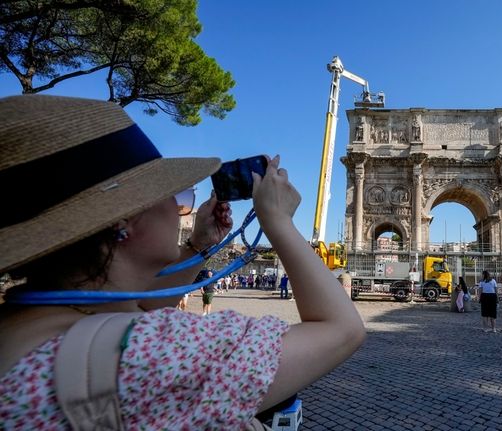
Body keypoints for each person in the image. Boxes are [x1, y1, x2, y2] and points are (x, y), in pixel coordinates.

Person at [0, 95, 366, 429]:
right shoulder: (152, 352)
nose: (182, 207)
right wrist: (279, 222)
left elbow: (139, 305)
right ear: (123, 221)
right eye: (174, 195)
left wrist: (198, 245)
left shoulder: (30, 318)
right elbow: (341, 330)